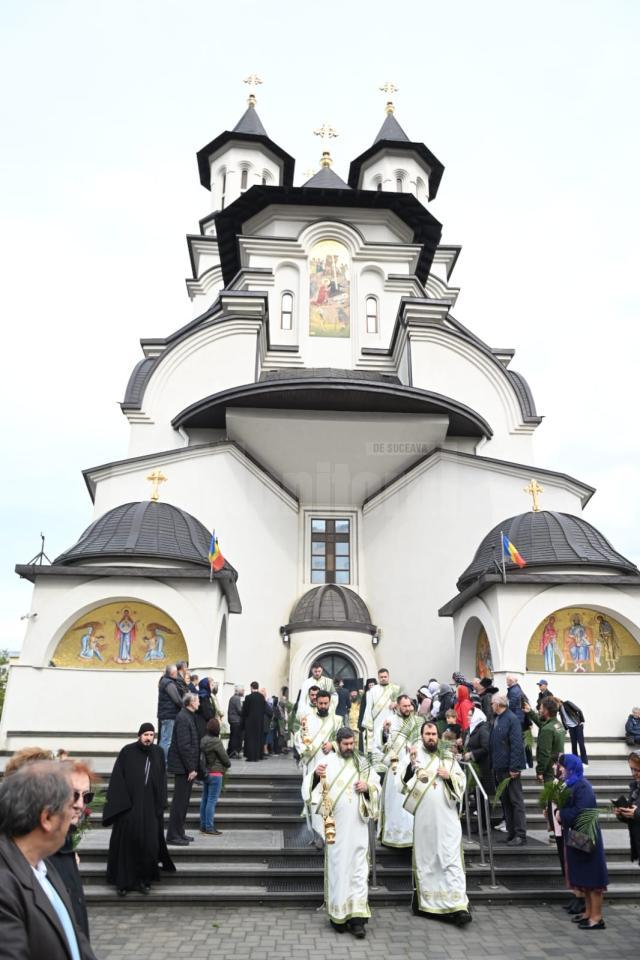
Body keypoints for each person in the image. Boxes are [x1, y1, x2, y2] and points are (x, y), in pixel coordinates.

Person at [0, 760, 97, 959]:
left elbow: (75, 937)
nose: (77, 808)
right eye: (70, 803)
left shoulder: (46, 868)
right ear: (47, 818)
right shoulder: (4, 886)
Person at [310, 727, 380, 939]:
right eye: (346, 744)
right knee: (339, 870)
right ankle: (338, 915)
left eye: (352, 744)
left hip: (358, 828)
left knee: (358, 872)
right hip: (337, 830)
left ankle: (357, 919)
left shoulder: (363, 763)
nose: (350, 747)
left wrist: (367, 786)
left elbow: (377, 786)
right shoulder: (327, 763)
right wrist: (315, 776)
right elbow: (311, 790)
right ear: (338, 743)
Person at [402, 721, 471, 925]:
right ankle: (428, 905)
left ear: (438, 736)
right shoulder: (413, 756)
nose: (431, 737)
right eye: (427, 733)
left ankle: (458, 906)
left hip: (447, 819)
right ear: (421, 735)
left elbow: (461, 782)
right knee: (428, 861)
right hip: (425, 821)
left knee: (451, 859)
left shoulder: (448, 758)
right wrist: (410, 768)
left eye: (433, 733)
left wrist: (449, 777)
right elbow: (401, 784)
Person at [103, 722, 175, 894]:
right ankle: (123, 883)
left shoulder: (157, 753)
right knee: (127, 846)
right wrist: (122, 806)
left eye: (151, 735)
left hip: (150, 809)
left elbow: (162, 779)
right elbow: (118, 779)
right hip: (129, 808)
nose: (148, 738)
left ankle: (144, 881)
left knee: (148, 845)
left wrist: (161, 803)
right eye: (146, 735)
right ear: (139, 735)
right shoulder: (127, 752)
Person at [557, 754, 608, 929]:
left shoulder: (582, 786)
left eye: (562, 766)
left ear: (571, 768)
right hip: (578, 837)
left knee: (593, 880)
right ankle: (588, 913)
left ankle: (597, 918)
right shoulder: (573, 784)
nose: (560, 769)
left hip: (587, 837)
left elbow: (582, 812)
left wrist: (561, 815)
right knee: (584, 879)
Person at [48, 760, 96, 937]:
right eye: (73, 795)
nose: (80, 805)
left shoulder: (65, 850)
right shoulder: (35, 857)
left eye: (86, 796)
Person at [296, 690, 342, 845]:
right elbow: (299, 738)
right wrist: (304, 749)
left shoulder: (337, 720)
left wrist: (333, 744)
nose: (323, 706)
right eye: (320, 703)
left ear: (330, 703)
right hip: (312, 766)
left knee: (329, 799)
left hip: (332, 766)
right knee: (314, 799)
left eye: (325, 703)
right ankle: (317, 836)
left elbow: (345, 739)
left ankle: (329, 832)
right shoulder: (307, 720)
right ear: (316, 703)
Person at [379, 693, 421, 848]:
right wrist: (384, 731)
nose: (408, 708)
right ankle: (395, 836)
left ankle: (413, 836)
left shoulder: (417, 722)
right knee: (396, 801)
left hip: (413, 766)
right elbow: (383, 744)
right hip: (396, 768)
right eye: (405, 706)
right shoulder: (390, 721)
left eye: (410, 705)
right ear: (397, 706)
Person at [489, 693, 527, 845]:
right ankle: (511, 832)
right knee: (506, 801)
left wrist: (515, 767)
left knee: (515, 801)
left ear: (498, 704)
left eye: (492, 703)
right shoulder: (499, 718)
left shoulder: (511, 719)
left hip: (509, 768)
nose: (491, 706)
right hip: (500, 767)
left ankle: (520, 834)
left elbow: (517, 745)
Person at [166, 693, 200, 844]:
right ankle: (173, 835)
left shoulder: (188, 716)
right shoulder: (183, 717)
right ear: (190, 703)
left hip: (185, 767)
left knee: (184, 802)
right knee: (179, 802)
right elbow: (184, 746)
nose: (199, 702)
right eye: (197, 700)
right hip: (183, 768)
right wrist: (191, 768)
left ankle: (180, 832)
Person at [362, 668, 401, 768]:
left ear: (388, 677)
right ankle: (379, 767)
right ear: (378, 678)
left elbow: (405, 704)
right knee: (378, 745)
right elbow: (368, 708)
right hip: (377, 723)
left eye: (385, 677)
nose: (383, 679)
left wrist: (396, 703)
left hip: (392, 722)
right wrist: (369, 725)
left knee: (392, 744)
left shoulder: (395, 689)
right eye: (381, 677)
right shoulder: (372, 690)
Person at [200, 718, 231, 835]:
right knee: (212, 801)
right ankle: (209, 827)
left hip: (206, 773)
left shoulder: (203, 740)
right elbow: (225, 759)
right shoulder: (216, 741)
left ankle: (203, 825)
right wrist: (228, 764)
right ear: (217, 729)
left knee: (205, 800)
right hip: (216, 773)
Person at [613, 749, 640, 868]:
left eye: (637, 769)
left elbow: (637, 813)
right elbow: (633, 813)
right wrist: (623, 813)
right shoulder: (636, 788)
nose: (633, 773)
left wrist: (636, 813)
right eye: (631, 769)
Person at [157, 664, 182, 762]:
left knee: (164, 739)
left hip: (165, 714)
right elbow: (177, 700)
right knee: (166, 741)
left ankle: (161, 761)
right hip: (169, 715)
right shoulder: (169, 683)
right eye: (176, 672)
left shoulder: (164, 681)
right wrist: (184, 705)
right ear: (173, 673)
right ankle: (164, 762)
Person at [558, 698, 589, 764]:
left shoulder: (567, 703)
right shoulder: (559, 710)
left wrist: (582, 720)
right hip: (570, 728)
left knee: (581, 744)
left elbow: (578, 710)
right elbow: (563, 720)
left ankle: (584, 762)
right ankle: (576, 761)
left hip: (578, 725)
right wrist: (566, 729)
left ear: (559, 702)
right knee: (573, 745)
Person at [242, 682, 266, 762]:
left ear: (251, 687)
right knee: (258, 738)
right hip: (259, 721)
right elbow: (264, 709)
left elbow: (245, 710)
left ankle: (251, 756)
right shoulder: (262, 697)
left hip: (250, 721)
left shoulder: (248, 697)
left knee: (250, 739)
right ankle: (258, 755)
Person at [227, 685, 244, 758]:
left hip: (233, 720)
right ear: (238, 691)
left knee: (233, 736)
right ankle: (233, 752)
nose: (243, 691)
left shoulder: (233, 697)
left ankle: (231, 752)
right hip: (236, 720)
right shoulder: (236, 698)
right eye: (242, 690)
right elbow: (240, 711)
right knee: (235, 737)